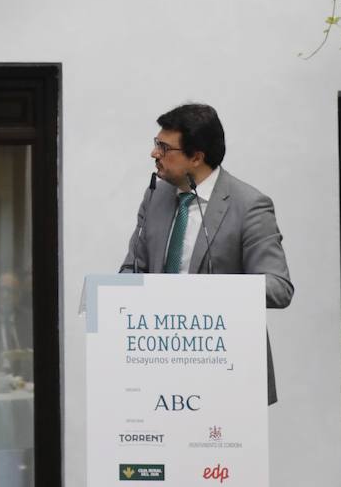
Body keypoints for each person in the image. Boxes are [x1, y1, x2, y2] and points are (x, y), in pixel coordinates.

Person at [120, 102, 292, 403]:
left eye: (164, 147)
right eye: (156, 144)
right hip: (158, 367)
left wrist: (206, 292)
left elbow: (278, 288)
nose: (154, 154)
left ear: (196, 157)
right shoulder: (155, 196)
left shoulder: (250, 205)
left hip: (226, 371)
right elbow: (133, 269)